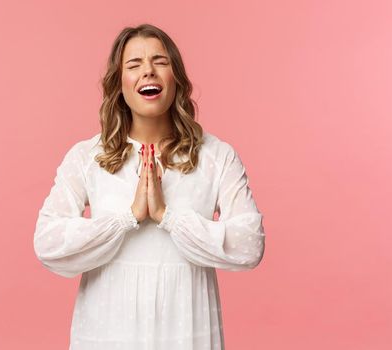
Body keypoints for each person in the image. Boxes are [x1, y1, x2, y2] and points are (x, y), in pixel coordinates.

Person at [33, 23, 265, 350]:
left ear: (176, 79)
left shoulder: (215, 156)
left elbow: (249, 245)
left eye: (160, 61)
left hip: (187, 333)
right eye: (134, 65)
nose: (148, 72)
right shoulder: (87, 157)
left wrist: (168, 217)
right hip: (106, 332)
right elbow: (47, 242)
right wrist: (127, 219)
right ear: (119, 84)